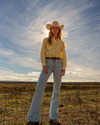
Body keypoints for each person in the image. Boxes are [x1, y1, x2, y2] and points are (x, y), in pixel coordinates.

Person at [25, 21, 67, 125]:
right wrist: (44, 64)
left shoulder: (61, 43)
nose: (55, 29)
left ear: (59, 30)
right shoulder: (45, 40)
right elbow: (42, 52)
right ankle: (33, 119)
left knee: (57, 89)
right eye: (53, 28)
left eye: (57, 28)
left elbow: (64, 56)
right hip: (47, 63)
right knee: (39, 87)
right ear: (51, 29)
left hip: (58, 64)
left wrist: (64, 67)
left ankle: (54, 118)